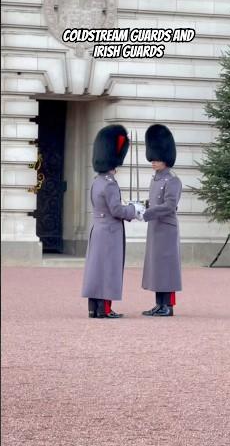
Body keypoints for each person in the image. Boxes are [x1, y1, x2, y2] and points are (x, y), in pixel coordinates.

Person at [82, 124, 146, 318]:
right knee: (108, 269)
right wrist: (134, 210)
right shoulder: (109, 184)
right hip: (110, 231)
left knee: (96, 269)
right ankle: (105, 309)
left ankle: (94, 308)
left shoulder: (96, 181)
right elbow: (117, 210)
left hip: (98, 229)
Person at [140, 124, 182, 317]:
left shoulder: (172, 180)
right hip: (155, 228)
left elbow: (169, 206)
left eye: (156, 159)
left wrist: (147, 213)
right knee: (156, 267)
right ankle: (159, 303)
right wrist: (141, 206)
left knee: (166, 268)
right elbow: (153, 201)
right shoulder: (156, 179)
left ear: (165, 158)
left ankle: (168, 305)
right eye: (152, 158)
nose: (153, 162)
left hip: (166, 228)